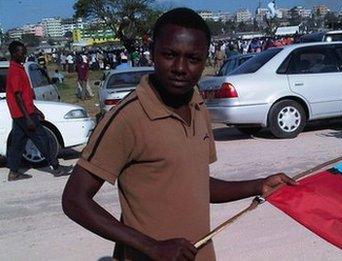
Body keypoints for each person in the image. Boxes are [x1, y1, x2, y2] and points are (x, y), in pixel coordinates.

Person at [61, 8, 296, 261]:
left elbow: (198, 185)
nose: (180, 68)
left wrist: (258, 185)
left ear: (206, 59)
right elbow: (74, 200)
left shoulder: (198, 107)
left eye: (193, 58)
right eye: (170, 55)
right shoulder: (129, 117)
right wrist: (151, 247)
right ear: (152, 53)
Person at [5, 41, 70, 181]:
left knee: (18, 143)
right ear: (14, 53)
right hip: (24, 115)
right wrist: (28, 117)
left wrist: (36, 109)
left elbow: (24, 95)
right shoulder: (15, 71)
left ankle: (13, 172)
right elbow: (17, 96)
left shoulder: (18, 68)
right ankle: (57, 168)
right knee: (42, 139)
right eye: (22, 52)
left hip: (21, 114)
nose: (24, 54)